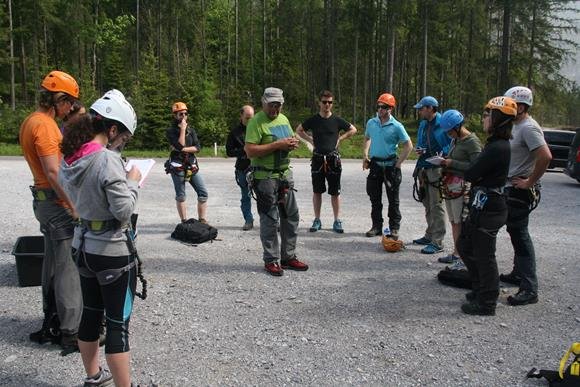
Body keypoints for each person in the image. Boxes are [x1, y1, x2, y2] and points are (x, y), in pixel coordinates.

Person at [60, 90, 141, 387]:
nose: (122, 143)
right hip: (112, 251)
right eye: (124, 137)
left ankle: (94, 376)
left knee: (91, 315)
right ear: (112, 129)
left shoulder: (71, 156)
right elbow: (123, 209)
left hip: (82, 246)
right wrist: (132, 183)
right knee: (118, 323)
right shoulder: (107, 160)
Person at [19, 70, 83, 353]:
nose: (69, 109)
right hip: (55, 204)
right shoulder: (44, 125)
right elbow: (53, 170)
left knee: (52, 261)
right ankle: (71, 331)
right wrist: (73, 205)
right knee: (67, 265)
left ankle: (52, 321)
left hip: (44, 201)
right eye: (68, 103)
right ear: (57, 99)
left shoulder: (31, 121)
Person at [458, 96, 517, 316]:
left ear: (497, 118)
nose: (483, 119)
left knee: (484, 254)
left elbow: (472, 172)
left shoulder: (497, 148)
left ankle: (487, 301)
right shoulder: (494, 144)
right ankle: (480, 287)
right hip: (482, 202)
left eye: (486, 115)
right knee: (465, 245)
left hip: (490, 206)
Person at [244, 87, 309, 276]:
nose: (275, 109)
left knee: (291, 217)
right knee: (270, 220)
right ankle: (271, 260)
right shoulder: (256, 122)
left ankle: (288, 257)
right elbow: (250, 151)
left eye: (278, 105)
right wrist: (277, 145)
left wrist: (291, 144)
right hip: (264, 177)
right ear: (264, 102)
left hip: (284, 175)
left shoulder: (284, 119)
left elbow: (289, 138)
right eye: (272, 105)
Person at [500, 86, 552, 306]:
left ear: (520, 106)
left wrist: (529, 181)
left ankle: (530, 288)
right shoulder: (515, 125)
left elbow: (545, 156)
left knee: (520, 235)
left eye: (511, 104)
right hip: (510, 188)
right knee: (514, 231)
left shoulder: (529, 128)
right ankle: (518, 274)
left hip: (519, 189)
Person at [296, 90, 357, 233]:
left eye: (330, 102)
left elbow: (353, 129)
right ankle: (317, 220)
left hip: (333, 159)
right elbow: (299, 130)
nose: (327, 105)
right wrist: (310, 140)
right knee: (317, 191)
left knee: (335, 192)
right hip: (317, 159)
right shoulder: (314, 120)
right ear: (319, 103)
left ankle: (337, 220)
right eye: (324, 102)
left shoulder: (336, 120)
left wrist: (340, 139)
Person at [362, 92, 413, 238]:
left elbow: (408, 145)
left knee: (393, 200)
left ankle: (394, 228)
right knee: (374, 198)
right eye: (378, 106)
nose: (380, 109)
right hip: (375, 165)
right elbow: (366, 138)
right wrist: (365, 155)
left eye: (383, 107)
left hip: (391, 165)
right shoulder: (371, 123)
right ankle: (376, 226)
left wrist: (398, 163)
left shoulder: (397, 126)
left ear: (390, 108)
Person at [437, 110, 482, 266]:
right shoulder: (456, 140)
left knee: (460, 221)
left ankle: (463, 256)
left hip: (462, 186)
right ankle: (457, 253)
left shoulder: (471, 142)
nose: (448, 134)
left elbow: (477, 166)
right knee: (454, 221)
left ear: (457, 127)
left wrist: (452, 163)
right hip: (452, 185)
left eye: (449, 131)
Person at [412, 96, 451, 254]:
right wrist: (420, 149)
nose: (419, 111)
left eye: (421, 108)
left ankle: (438, 241)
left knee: (437, 205)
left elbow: (449, 147)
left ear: (430, 108)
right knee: (427, 203)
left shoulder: (443, 124)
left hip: (436, 169)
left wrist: (442, 157)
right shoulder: (423, 124)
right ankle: (429, 234)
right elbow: (421, 141)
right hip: (423, 167)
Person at [166, 102, 209, 223]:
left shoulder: (192, 130)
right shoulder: (170, 131)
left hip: (191, 165)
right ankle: (184, 221)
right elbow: (180, 144)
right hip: (177, 166)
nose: (184, 116)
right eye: (181, 114)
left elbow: (198, 148)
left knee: (203, 193)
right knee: (181, 195)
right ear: (175, 116)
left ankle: (202, 219)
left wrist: (183, 149)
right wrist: (183, 130)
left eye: (185, 113)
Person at [226, 105, 255, 230]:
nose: (250, 120)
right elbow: (229, 152)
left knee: (266, 195)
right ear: (241, 116)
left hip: (258, 167)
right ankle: (248, 220)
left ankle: (270, 221)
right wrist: (243, 150)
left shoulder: (258, 128)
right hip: (242, 168)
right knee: (246, 195)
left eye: (252, 118)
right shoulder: (234, 132)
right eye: (247, 118)